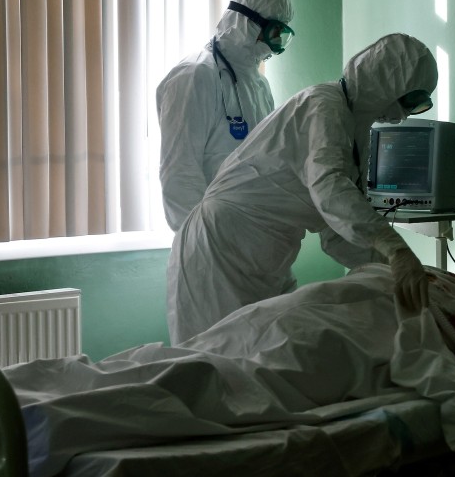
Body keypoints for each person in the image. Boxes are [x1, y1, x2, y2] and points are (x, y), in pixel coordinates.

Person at [0, 260, 455, 477]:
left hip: (283, 318)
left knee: (186, 360)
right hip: (329, 340)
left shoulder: (408, 267)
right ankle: (44, 422)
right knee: (223, 381)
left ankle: (12, 400)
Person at [166, 32, 438, 343]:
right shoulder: (323, 106)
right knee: (219, 356)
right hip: (223, 248)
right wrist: (396, 249)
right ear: (385, 81)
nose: (404, 115)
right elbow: (330, 189)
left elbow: (336, 231)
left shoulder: (353, 130)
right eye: (409, 100)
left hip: (261, 254)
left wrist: (390, 270)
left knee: (261, 354)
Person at [156, 0, 296, 231]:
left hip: (252, 235)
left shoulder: (259, 85)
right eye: (273, 32)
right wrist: (202, 240)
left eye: (281, 35)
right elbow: (179, 174)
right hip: (210, 241)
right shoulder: (194, 76)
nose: (275, 45)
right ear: (247, 22)